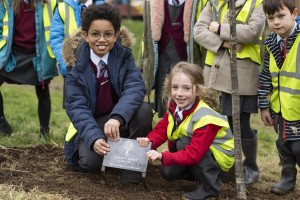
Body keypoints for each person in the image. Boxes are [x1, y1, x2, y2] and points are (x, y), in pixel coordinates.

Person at [62, 3, 153, 183]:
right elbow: (77, 108)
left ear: (116, 35)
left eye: (108, 34)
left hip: (119, 118)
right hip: (93, 122)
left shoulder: (124, 57)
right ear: (86, 36)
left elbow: (135, 88)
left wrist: (117, 117)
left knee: (144, 111)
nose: (101, 39)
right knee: (88, 163)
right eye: (95, 34)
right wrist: (94, 138)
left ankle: (131, 164)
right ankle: (111, 152)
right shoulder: (75, 68)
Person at [137, 61, 235, 200]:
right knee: (168, 172)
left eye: (186, 88)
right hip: (198, 155)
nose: (179, 94)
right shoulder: (173, 107)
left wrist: (163, 156)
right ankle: (199, 175)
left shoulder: (205, 117)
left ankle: (210, 187)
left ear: (198, 90)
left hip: (216, 161)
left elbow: (194, 153)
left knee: (184, 143)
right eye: (175, 87)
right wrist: (149, 141)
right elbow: (162, 129)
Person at [193, 0, 265, 186]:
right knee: (218, 121)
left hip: (242, 75)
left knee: (240, 122)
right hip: (215, 75)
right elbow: (198, 31)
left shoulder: (257, 3)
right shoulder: (214, 2)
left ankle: (250, 167)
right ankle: (225, 165)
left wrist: (218, 28)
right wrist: (223, 42)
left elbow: (252, 32)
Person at [0, 0, 58, 138]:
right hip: (13, 55)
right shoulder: (7, 2)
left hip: (38, 56)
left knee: (43, 93)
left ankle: (44, 133)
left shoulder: (48, 2)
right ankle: (2, 125)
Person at [258, 0, 299, 195]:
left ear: (294, 14)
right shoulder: (270, 43)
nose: (276, 22)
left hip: (298, 106)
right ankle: (287, 177)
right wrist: (264, 105)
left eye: (281, 16)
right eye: (271, 18)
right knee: (283, 143)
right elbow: (266, 75)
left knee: (298, 145)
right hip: (281, 107)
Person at [50, 0, 104, 108]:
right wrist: (66, 64)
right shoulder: (62, 7)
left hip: (97, 70)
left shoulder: (102, 7)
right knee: (74, 109)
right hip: (72, 70)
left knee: (99, 107)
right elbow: (56, 39)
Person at [149, 0, 193, 118]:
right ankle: (166, 124)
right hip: (163, 55)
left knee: (183, 86)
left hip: (183, 54)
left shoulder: (194, 3)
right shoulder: (155, 3)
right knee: (165, 89)